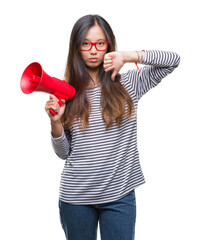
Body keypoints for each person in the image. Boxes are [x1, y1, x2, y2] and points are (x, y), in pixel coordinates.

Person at [45, 14, 180, 240]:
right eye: (86, 44)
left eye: (100, 43)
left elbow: (173, 60)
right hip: (76, 199)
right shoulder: (67, 93)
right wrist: (56, 122)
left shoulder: (130, 84)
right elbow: (63, 153)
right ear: (76, 47)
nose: (94, 50)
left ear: (109, 44)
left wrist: (127, 56)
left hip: (120, 196)